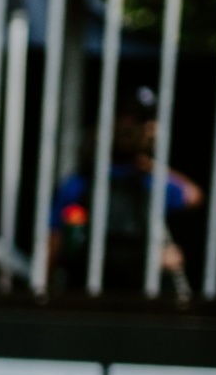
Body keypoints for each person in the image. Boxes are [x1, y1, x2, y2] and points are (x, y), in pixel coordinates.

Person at [48, 92, 200, 296]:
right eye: (125, 117)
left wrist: (152, 166)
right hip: (88, 292)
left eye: (140, 119)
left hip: (137, 295)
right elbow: (55, 241)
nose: (130, 126)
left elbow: (193, 196)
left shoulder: (149, 180)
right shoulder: (81, 182)